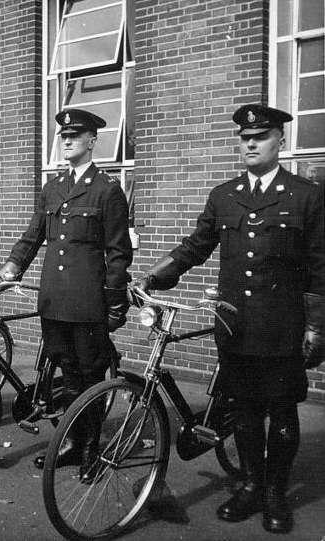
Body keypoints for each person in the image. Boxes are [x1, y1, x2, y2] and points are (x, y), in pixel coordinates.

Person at [136, 104, 325, 534]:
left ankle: (276, 494)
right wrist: (156, 274)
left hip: (282, 326)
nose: (252, 143)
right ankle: (252, 487)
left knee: (281, 413)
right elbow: (196, 245)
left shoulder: (306, 195)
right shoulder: (225, 194)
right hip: (235, 324)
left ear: (281, 140)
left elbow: (320, 266)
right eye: (245, 137)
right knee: (243, 413)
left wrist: (317, 325)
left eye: (261, 136)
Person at [0, 108, 133, 476]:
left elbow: (118, 252)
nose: (65, 141)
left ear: (92, 141)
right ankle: (71, 441)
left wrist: (114, 302)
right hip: (54, 301)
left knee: (90, 378)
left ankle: (91, 448)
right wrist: (6, 273)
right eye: (62, 136)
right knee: (66, 374)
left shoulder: (107, 190)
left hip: (87, 303)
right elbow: (32, 239)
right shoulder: (53, 188)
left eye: (74, 136)